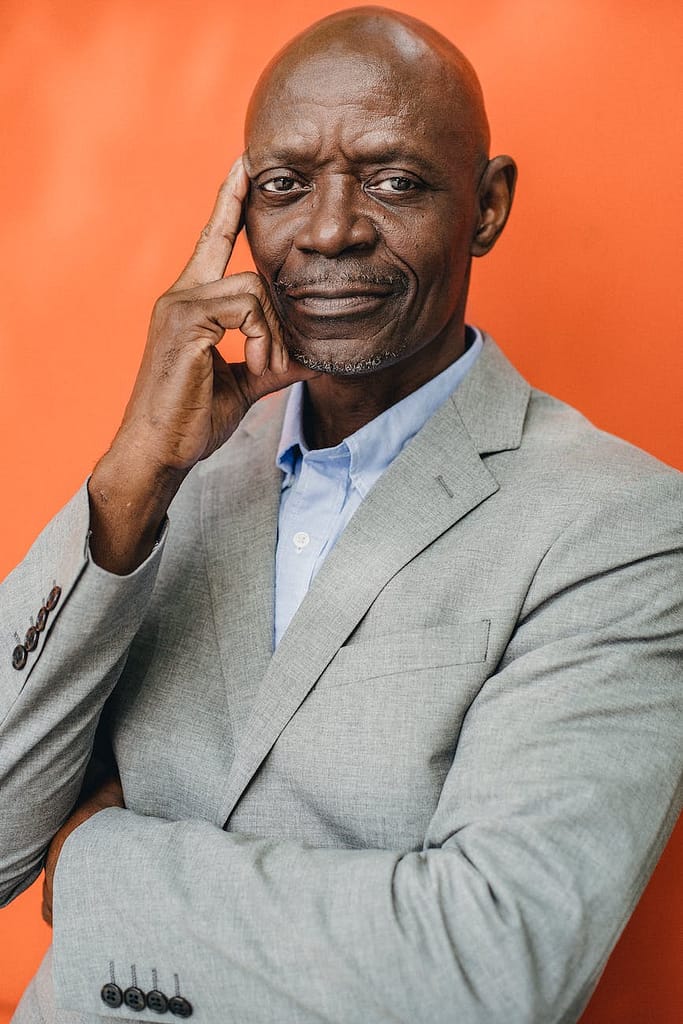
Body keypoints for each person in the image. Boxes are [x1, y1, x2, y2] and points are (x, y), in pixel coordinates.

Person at [1, 6, 681, 1022]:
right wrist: (131, 481)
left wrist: (105, 868)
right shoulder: (174, 479)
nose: (328, 231)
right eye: (284, 184)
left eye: (393, 180)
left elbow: (496, 966)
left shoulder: (621, 526)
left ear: (487, 205)